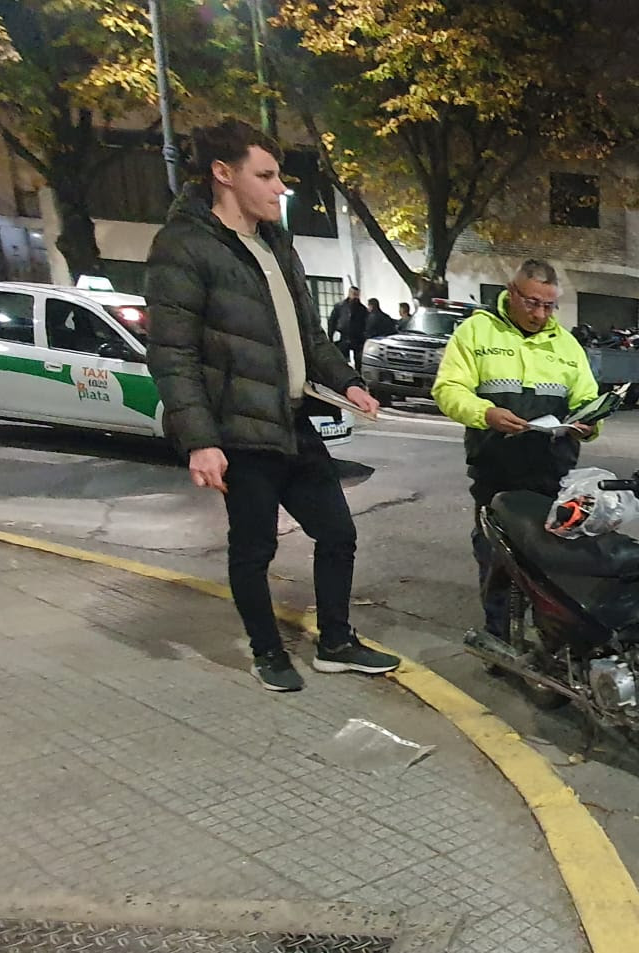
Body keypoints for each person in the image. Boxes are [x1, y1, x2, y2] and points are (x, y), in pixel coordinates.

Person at [145, 118, 399, 692]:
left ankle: (335, 643)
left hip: (293, 422)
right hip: (239, 431)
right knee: (254, 548)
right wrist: (200, 441)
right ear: (223, 173)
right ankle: (267, 652)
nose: (280, 187)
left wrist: (348, 382)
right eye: (265, 175)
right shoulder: (183, 246)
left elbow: (309, 336)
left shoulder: (276, 243)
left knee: (338, 533)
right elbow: (173, 354)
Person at [432, 259, 601, 639]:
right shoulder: (477, 331)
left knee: (550, 565)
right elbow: (448, 389)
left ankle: (547, 641)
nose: (540, 314)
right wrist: (485, 413)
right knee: (498, 561)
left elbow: (587, 398)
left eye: (548, 305)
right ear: (511, 292)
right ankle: (500, 642)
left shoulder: (567, 345)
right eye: (531, 303)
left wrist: (590, 423)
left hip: (551, 474)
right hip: (496, 472)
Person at [328, 287, 368, 368]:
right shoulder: (340, 306)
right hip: (343, 336)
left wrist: (365, 335)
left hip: (358, 337)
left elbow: (366, 323)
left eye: (357, 295)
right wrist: (331, 335)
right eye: (354, 294)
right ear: (349, 294)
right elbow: (332, 321)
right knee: (342, 360)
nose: (355, 297)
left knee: (359, 361)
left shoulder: (362, 309)